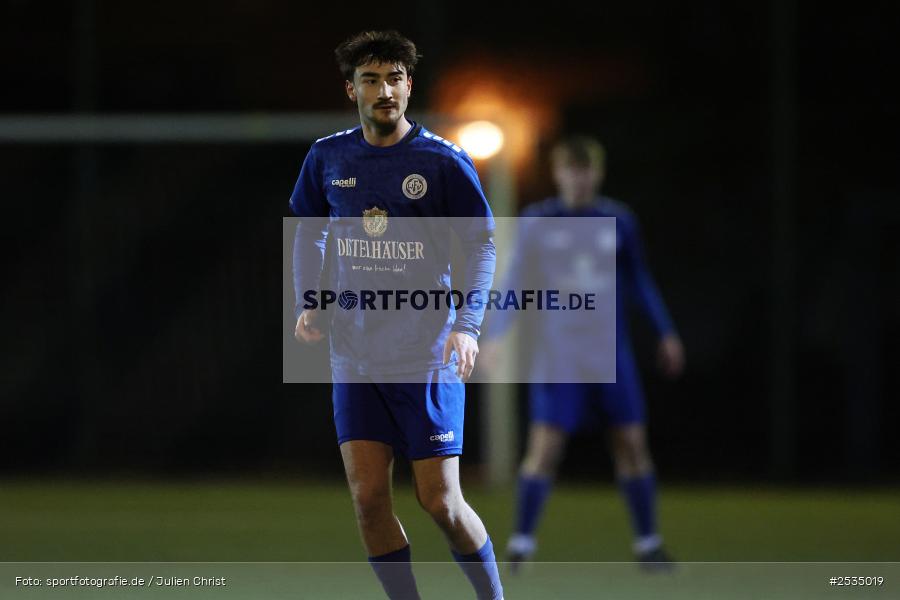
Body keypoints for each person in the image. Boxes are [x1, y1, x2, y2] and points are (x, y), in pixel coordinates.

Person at [289, 30, 503, 600]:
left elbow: (481, 245)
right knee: (367, 500)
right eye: (371, 80)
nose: (384, 90)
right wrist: (310, 300)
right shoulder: (327, 157)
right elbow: (309, 231)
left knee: (440, 502)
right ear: (351, 90)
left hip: (426, 354)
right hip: (355, 356)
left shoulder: (442, 161)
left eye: (394, 79)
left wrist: (468, 326)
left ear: (409, 86)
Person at [483, 136, 684, 570]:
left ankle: (648, 545)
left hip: (611, 354)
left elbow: (639, 280)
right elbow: (516, 279)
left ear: (598, 173)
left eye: (586, 170)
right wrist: (495, 333)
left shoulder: (619, 220)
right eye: (571, 170)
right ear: (557, 175)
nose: (579, 179)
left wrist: (665, 331)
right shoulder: (538, 220)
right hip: (559, 355)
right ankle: (521, 545)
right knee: (545, 448)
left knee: (631, 444)